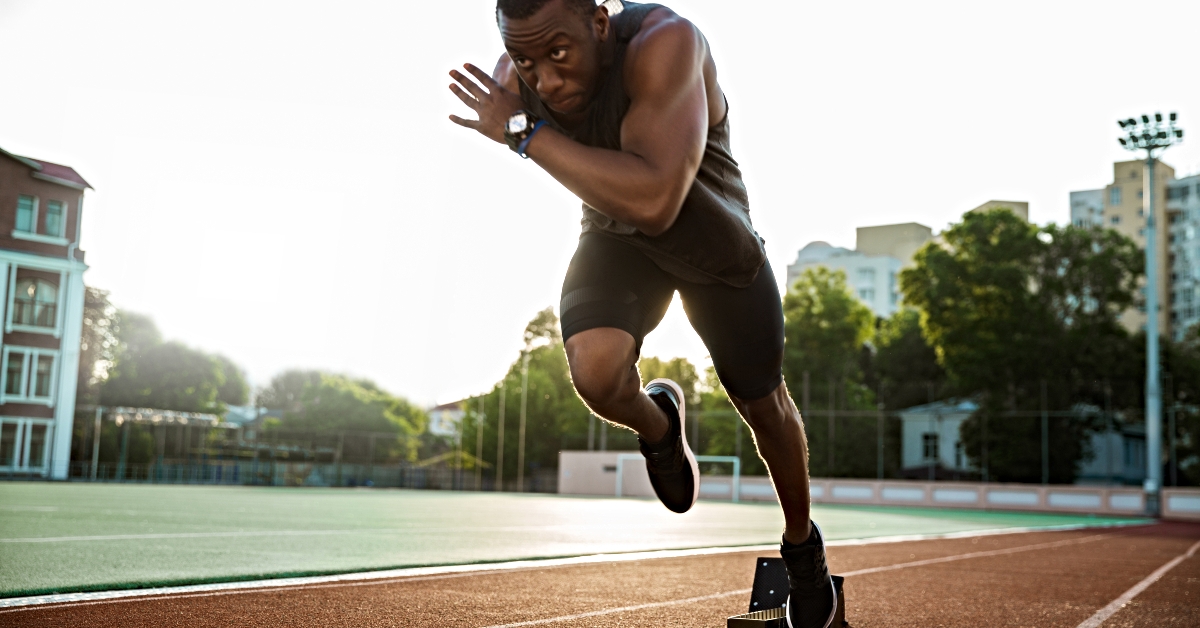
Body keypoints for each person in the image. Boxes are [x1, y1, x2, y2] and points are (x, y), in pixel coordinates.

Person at [448, 2, 836, 626]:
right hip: (616, 239)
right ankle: (660, 427)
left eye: (558, 53)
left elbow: (657, 201)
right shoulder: (513, 82)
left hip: (713, 245)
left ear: (599, 24)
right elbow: (580, 162)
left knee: (765, 408)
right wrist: (525, 120)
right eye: (526, 59)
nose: (545, 79)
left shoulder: (666, 43)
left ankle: (802, 548)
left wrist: (523, 132)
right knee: (596, 376)